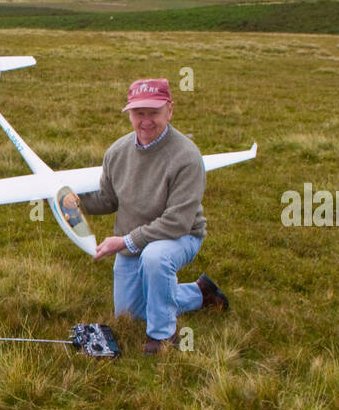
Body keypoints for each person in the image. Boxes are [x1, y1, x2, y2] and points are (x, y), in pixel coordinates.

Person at [62, 78, 228, 354]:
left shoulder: (187, 156)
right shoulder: (116, 152)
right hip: (133, 238)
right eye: (139, 113)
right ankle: (200, 293)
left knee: (155, 258)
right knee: (130, 314)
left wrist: (124, 242)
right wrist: (72, 203)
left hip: (180, 235)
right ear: (129, 114)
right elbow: (108, 199)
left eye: (154, 113)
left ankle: (162, 337)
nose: (146, 121)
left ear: (170, 110)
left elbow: (177, 222)